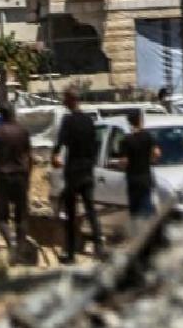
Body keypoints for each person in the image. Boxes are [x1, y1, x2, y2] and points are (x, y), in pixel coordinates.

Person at [51, 87, 103, 262]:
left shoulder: (68, 121)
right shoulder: (89, 121)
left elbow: (60, 144)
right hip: (87, 171)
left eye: (65, 99)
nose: (64, 102)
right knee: (91, 211)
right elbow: (96, 145)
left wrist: (55, 156)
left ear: (71, 100)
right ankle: (99, 248)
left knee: (71, 213)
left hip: (73, 172)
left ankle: (71, 254)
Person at [0, 103, 32, 260]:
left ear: (1, 116)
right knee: (21, 217)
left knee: (1, 217)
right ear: (14, 114)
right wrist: (28, 178)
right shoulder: (23, 131)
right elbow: (29, 157)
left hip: (4, 177)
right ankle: (19, 250)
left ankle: (10, 243)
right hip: (21, 176)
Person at [117, 110, 161, 231]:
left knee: (135, 210)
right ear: (140, 120)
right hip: (146, 177)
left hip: (133, 179)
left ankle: (137, 234)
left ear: (129, 122)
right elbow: (157, 153)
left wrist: (121, 165)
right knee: (147, 208)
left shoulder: (126, 140)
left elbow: (124, 162)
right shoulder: (149, 136)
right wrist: (150, 160)